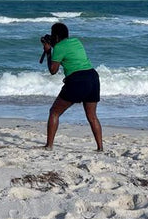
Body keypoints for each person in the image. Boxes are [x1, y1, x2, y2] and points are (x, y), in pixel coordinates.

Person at [42, 22, 103, 151]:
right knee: (92, 116)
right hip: (93, 78)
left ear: (56, 36)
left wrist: (48, 52)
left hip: (77, 80)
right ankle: (100, 148)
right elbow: (67, 51)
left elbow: (53, 70)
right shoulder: (76, 41)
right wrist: (54, 46)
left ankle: (49, 146)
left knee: (54, 112)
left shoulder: (58, 47)